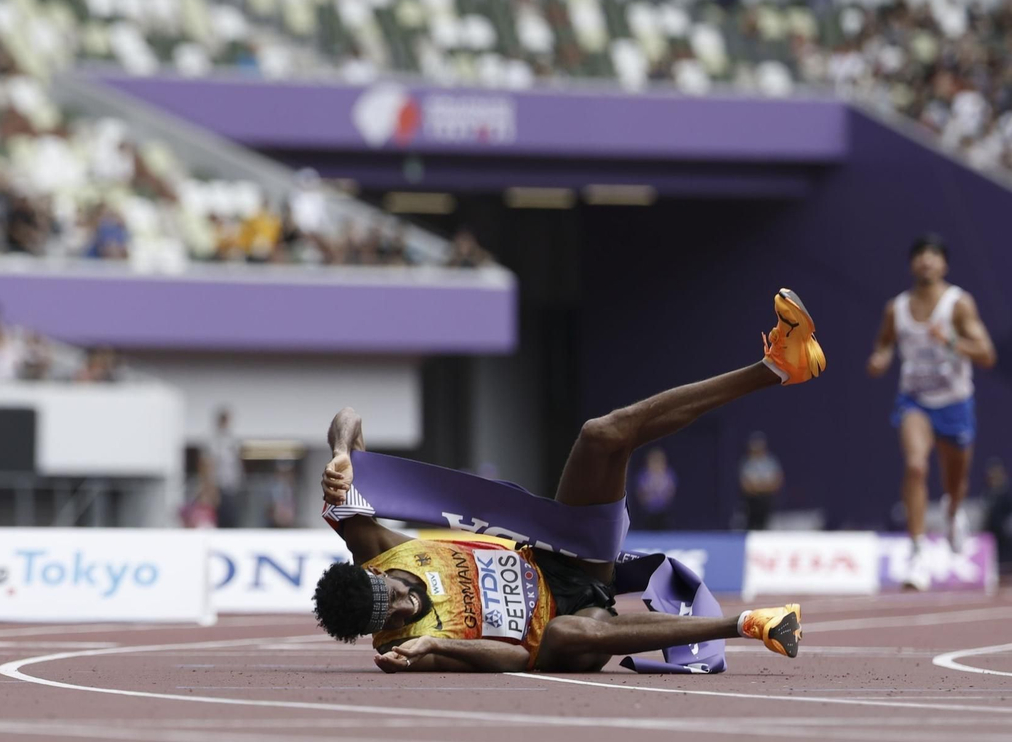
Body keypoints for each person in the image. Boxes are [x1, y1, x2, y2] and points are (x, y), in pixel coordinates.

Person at [311, 288, 824, 673]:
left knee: (602, 433)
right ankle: (750, 624)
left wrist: (340, 454)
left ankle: (776, 366)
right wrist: (439, 644)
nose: (405, 604)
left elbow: (348, 417)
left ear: (374, 571)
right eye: (394, 616)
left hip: (564, 562)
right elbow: (512, 659)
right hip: (562, 639)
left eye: (394, 594)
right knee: (566, 630)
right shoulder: (405, 648)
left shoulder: (376, 546)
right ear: (375, 632)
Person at [867, 234, 996, 588]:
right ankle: (918, 552)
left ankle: (953, 513)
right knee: (915, 465)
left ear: (944, 264)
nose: (926, 260)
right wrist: (881, 358)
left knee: (955, 484)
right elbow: (883, 343)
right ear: (912, 264)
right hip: (915, 401)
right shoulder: (896, 308)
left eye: (934, 255)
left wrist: (951, 340)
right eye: (920, 255)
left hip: (955, 402)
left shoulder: (958, 304)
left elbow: (987, 354)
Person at [206, 407, 244, 528]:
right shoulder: (215, 440)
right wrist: (212, 489)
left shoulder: (231, 439)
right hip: (220, 486)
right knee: (222, 517)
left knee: (233, 517)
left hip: (232, 486)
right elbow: (210, 464)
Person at [739, 430, 784, 531]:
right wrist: (763, 486)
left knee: (767, 525)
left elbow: (777, 482)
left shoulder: (770, 461)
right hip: (752, 502)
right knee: (752, 525)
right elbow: (746, 486)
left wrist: (759, 486)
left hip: (767, 501)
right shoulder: (747, 463)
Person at [632, 447, 677, 531]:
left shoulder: (668, 475)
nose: (656, 464)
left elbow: (671, 491)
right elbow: (640, 493)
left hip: (664, 512)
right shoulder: (643, 475)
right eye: (653, 461)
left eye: (659, 461)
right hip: (647, 512)